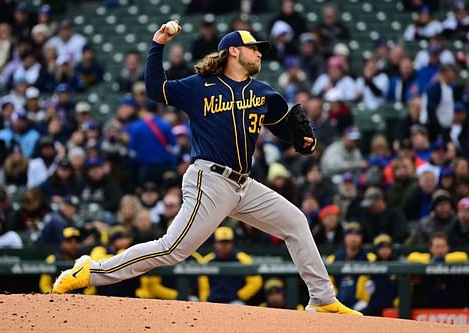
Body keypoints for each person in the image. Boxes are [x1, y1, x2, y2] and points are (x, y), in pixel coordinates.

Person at [52, 25, 362, 315]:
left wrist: (303, 141)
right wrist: (157, 44)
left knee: (295, 221)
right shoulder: (200, 86)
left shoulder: (264, 93)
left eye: (260, 49)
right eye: (253, 48)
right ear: (233, 52)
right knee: (172, 249)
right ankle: (90, 271)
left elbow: (284, 128)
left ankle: (322, 299)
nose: (259, 53)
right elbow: (154, 89)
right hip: (210, 179)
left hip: (244, 185)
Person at [199, 227, 262, 304]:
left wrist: (240, 295)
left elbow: (256, 282)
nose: (224, 245)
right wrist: (205, 299)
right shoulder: (207, 260)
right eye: (221, 242)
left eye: (227, 242)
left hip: (234, 300)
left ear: (232, 243)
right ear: (215, 244)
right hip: (212, 300)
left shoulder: (243, 259)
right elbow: (204, 287)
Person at [39, 227, 82, 293]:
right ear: (62, 243)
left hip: (80, 300)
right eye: (69, 241)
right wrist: (54, 297)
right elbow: (44, 285)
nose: (73, 244)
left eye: (76, 241)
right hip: (56, 298)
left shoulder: (84, 261)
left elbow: (90, 288)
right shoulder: (52, 259)